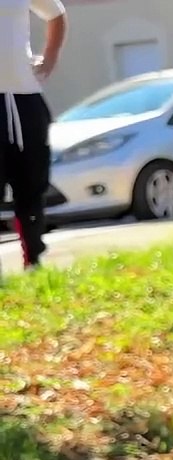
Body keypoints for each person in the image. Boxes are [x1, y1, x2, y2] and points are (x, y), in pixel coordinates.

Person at [0, 0, 65, 270]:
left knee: (32, 182)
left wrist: (49, 57)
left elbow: (56, 15)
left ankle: (34, 260)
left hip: (24, 95)